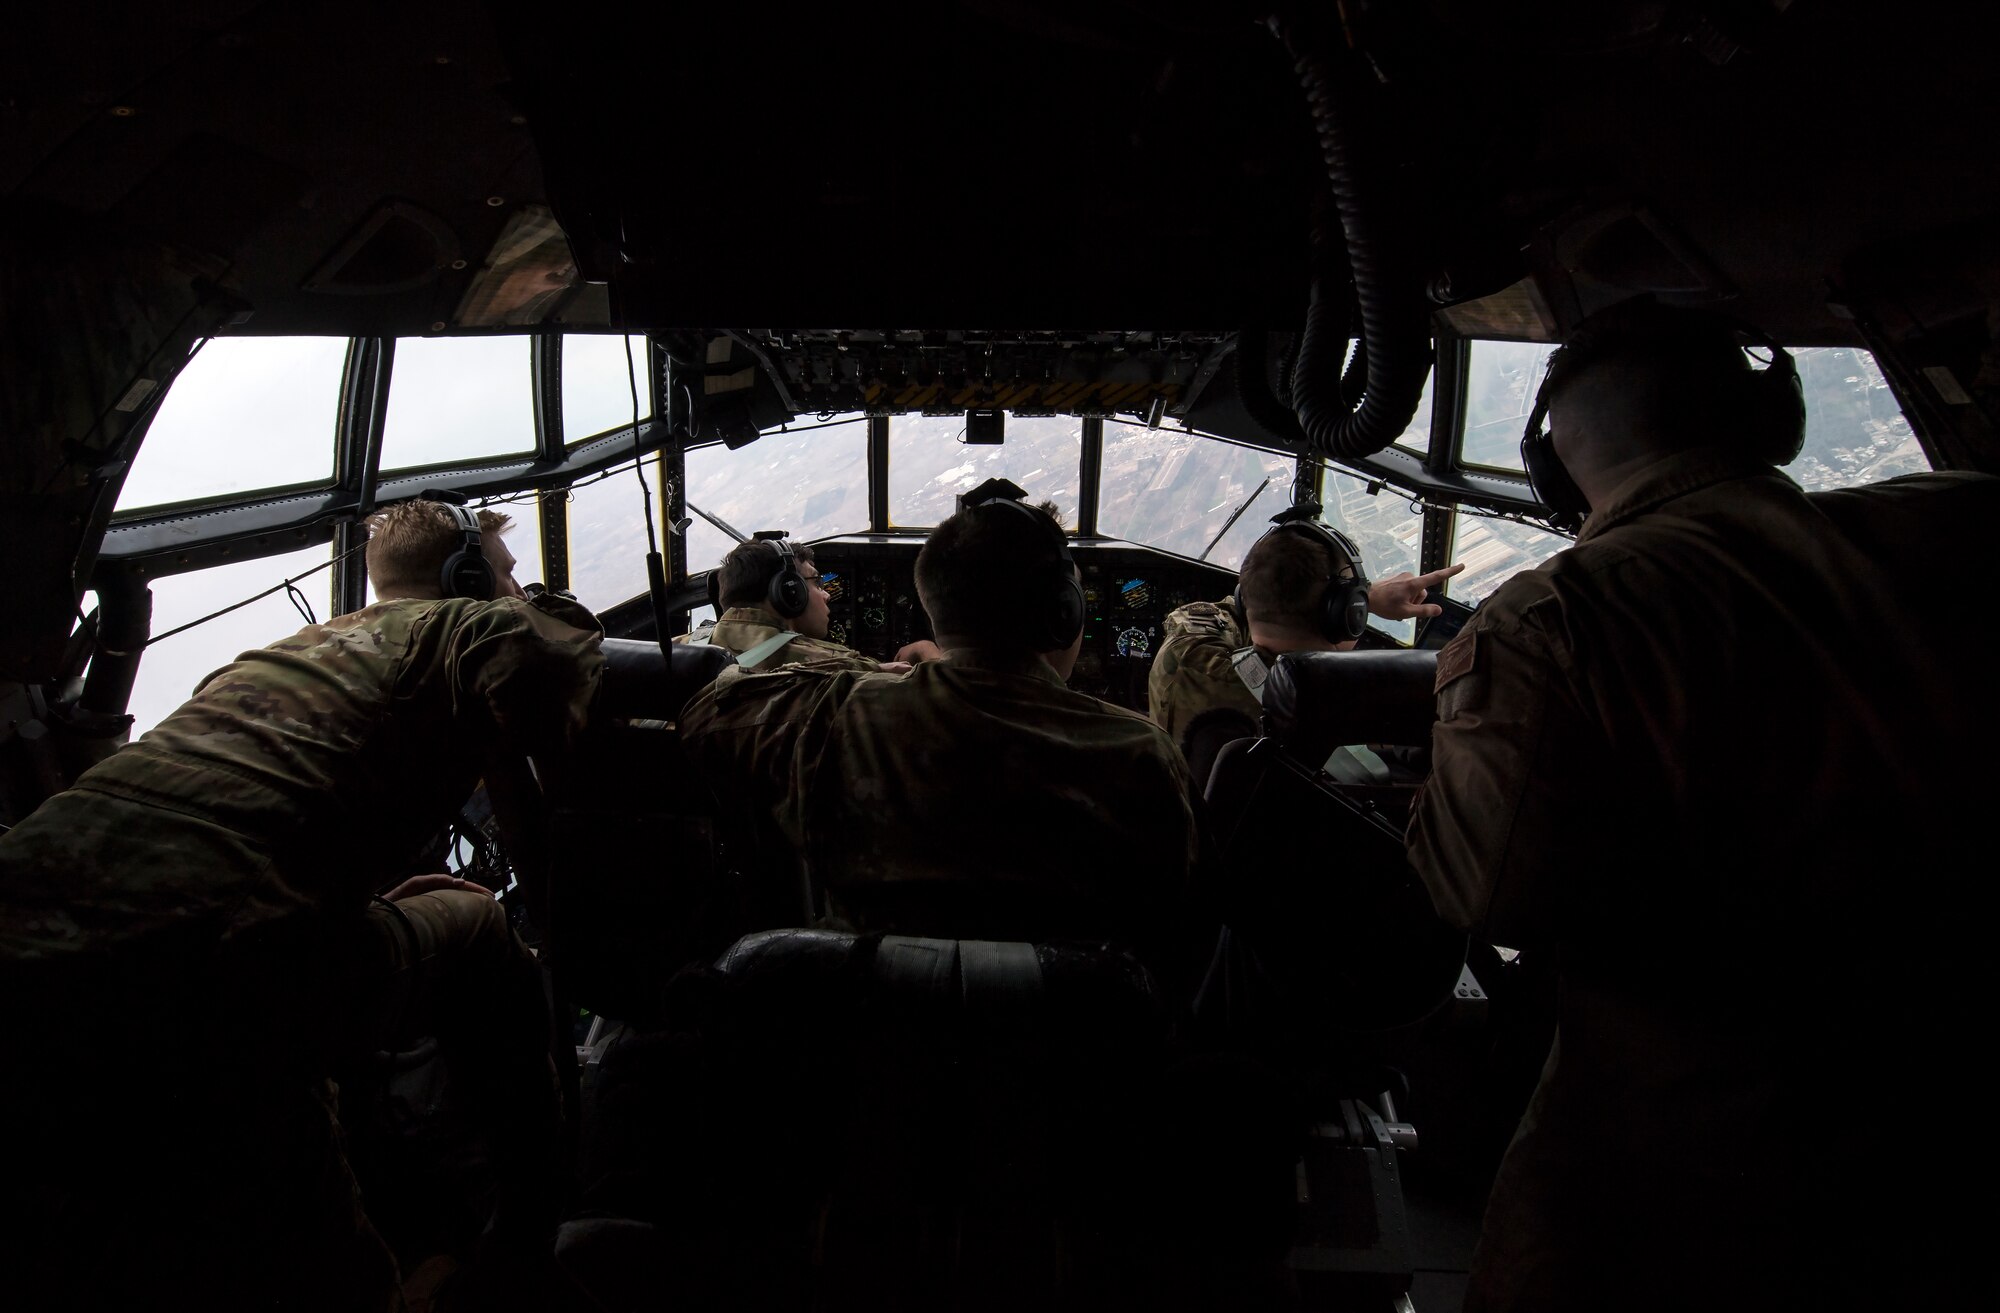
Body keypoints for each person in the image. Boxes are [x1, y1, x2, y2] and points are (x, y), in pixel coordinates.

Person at [1405, 298, 1999, 1311]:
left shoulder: (1559, 616)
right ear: (1770, 421)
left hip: (1705, 1153)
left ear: (1553, 469)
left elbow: (1483, 888)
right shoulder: (1965, 528)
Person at [0, 498, 606, 1311]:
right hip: (217, 966)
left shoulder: (264, 659)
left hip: (26, 934)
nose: (515, 588)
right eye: (506, 574)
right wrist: (544, 615)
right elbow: (559, 693)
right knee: (480, 926)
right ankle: (527, 1237)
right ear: (466, 579)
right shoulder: (465, 627)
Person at [679, 495, 1200, 960]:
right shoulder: (1142, 753)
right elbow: (1178, 937)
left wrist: (888, 679)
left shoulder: (836, 716)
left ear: (937, 614)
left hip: (878, 1028)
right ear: (1063, 612)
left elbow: (704, 714)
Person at [1148, 506, 1461, 782]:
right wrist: (1366, 598)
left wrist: (1365, 597)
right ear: (1347, 616)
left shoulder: (1186, 657)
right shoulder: (1351, 706)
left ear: (1247, 599)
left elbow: (1195, 615)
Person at [685, 535, 941, 674]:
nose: (826, 594)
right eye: (816, 583)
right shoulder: (836, 665)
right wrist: (926, 649)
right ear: (789, 592)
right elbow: (951, 695)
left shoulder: (677, 649)